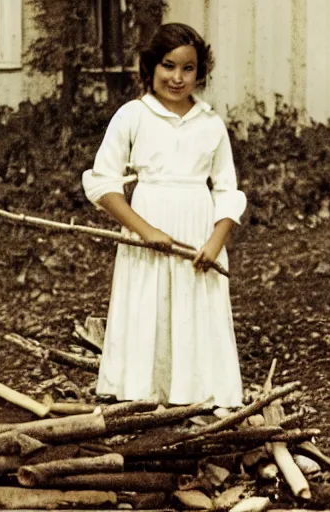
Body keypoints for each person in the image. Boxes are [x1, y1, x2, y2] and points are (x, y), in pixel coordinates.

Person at [82, 23, 247, 408]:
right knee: (148, 307)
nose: (177, 78)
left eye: (187, 69)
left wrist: (215, 242)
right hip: (149, 230)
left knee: (194, 309)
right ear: (151, 67)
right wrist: (144, 229)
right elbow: (102, 184)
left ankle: (197, 402)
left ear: (200, 72)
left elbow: (226, 189)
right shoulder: (132, 116)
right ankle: (144, 400)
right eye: (168, 66)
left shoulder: (210, 124)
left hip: (197, 232)